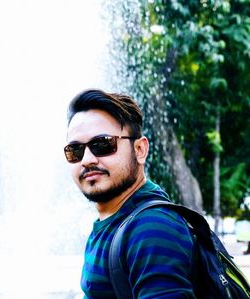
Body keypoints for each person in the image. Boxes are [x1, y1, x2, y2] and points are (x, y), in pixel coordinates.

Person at [64, 88, 196, 298]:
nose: (87, 159)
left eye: (103, 144)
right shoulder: (114, 222)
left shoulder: (152, 228)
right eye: (75, 150)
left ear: (140, 150)